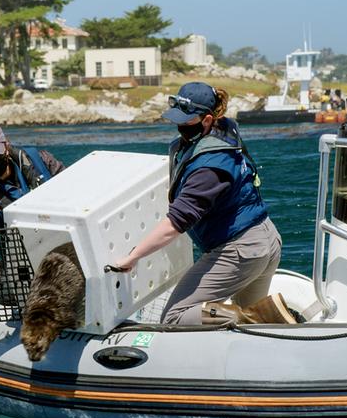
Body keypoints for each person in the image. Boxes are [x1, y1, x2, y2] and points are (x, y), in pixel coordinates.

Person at [110, 82, 291, 325]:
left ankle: (257, 316)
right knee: (254, 327)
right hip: (266, 239)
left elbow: (177, 222)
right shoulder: (225, 129)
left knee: (175, 317)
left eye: (186, 122)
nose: (180, 127)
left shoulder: (210, 167)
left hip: (240, 250)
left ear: (206, 120)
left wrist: (134, 256)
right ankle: (263, 318)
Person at [0, 122, 66, 287]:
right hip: (19, 250)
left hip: (61, 232)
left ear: (6, 147)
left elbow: (70, 182)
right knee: (7, 295)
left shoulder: (40, 160)